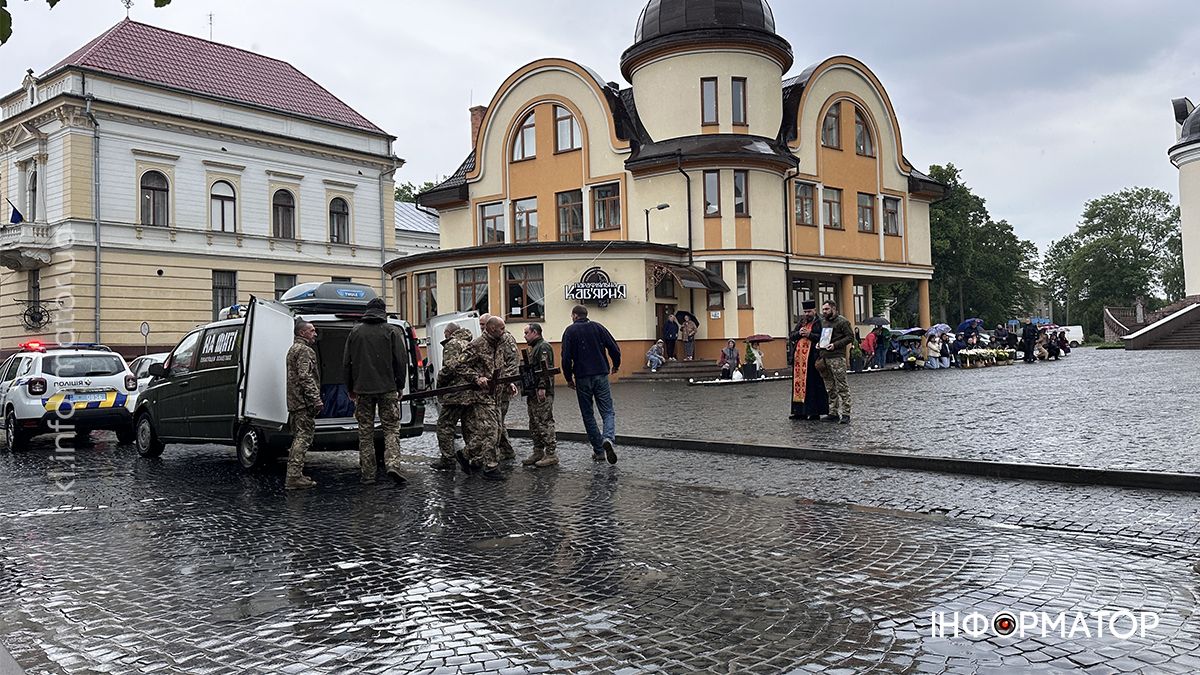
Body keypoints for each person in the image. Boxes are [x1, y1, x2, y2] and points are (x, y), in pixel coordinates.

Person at [343, 297, 407, 485]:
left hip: (362, 389)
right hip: (387, 388)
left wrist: (350, 388)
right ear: (383, 311)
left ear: (367, 311)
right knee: (391, 428)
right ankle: (393, 464)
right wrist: (400, 385)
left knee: (365, 431)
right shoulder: (392, 331)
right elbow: (400, 361)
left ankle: (368, 474)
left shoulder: (355, 332)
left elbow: (347, 363)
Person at [439, 317, 507, 480]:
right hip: (481, 395)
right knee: (491, 431)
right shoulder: (477, 345)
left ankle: (465, 454)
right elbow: (459, 365)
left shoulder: (500, 343)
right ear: (491, 329)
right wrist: (476, 378)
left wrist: (508, 383)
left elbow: (499, 366)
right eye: (501, 329)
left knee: (495, 432)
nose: (504, 332)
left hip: (495, 393)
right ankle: (491, 468)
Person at [561, 304, 621, 463]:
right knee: (607, 411)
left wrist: (568, 378)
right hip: (601, 373)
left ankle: (599, 451)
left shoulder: (570, 331)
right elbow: (614, 348)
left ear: (574, 315)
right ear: (586, 315)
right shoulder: (598, 327)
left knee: (588, 414)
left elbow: (566, 358)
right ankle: (608, 437)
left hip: (581, 376)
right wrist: (616, 365)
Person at [431, 322, 474, 473]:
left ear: (449, 333)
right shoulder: (469, 342)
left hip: (455, 392)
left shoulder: (452, 344)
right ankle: (474, 458)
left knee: (444, 426)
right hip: (469, 391)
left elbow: (450, 368)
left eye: (445, 334)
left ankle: (447, 459)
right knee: (468, 427)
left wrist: (440, 381)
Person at [284, 319, 322, 490]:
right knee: (303, 438)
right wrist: (315, 398)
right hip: (303, 403)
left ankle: (295, 474)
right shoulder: (305, 351)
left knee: (298, 437)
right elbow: (305, 376)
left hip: (294, 401)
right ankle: (293, 476)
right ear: (302, 333)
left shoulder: (293, 349)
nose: (315, 334)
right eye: (312, 331)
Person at [478, 313, 519, 463]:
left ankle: (502, 451)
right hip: (490, 388)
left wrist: (505, 381)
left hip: (501, 388)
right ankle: (505, 450)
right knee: (496, 420)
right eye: (481, 325)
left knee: (497, 421)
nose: (481, 327)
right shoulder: (486, 339)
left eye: (483, 325)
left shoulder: (506, 338)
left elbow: (512, 362)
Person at [521, 323, 558, 468]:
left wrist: (542, 387)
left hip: (541, 392)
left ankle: (551, 453)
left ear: (535, 332)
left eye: (526, 333)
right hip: (532, 391)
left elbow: (544, 368)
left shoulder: (543, 347)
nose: (524, 336)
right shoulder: (534, 348)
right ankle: (538, 451)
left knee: (544, 421)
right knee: (534, 423)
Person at [789, 300, 829, 420]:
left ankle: (814, 411)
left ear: (814, 311)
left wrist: (809, 334)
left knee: (813, 386)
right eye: (805, 312)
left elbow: (823, 338)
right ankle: (799, 411)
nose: (807, 314)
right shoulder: (802, 322)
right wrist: (799, 333)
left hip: (812, 359)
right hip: (799, 361)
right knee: (799, 385)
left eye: (809, 311)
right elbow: (791, 335)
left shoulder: (820, 322)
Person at [815, 300, 854, 423]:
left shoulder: (842, 322)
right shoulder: (824, 322)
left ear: (833, 308)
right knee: (829, 386)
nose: (824, 312)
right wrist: (819, 344)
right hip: (824, 357)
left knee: (842, 385)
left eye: (826, 309)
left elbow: (850, 337)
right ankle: (833, 412)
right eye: (823, 310)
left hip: (837, 357)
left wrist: (835, 345)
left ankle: (846, 413)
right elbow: (823, 336)